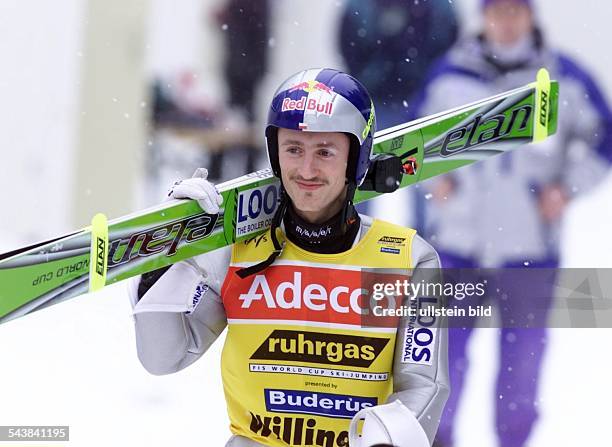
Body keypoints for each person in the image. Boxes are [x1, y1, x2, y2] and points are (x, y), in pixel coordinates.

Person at [128, 68, 450, 447]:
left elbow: (424, 385)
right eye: (293, 149)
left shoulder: (409, 259)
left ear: (356, 159)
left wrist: (383, 440)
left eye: (325, 151)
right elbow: (164, 356)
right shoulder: (239, 249)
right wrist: (169, 254)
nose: (307, 170)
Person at [408, 0, 612, 446]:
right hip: (459, 245)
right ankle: (439, 440)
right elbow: (412, 144)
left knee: (522, 368)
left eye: (516, 10)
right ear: (484, 15)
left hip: (531, 251)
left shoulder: (565, 78)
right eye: (497, 10)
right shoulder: (449, 76)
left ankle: (514, 440)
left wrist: (567, 188)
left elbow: (603, 140)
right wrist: (433, 181)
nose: (507, 20)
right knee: (444, 362)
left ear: (531, 15)